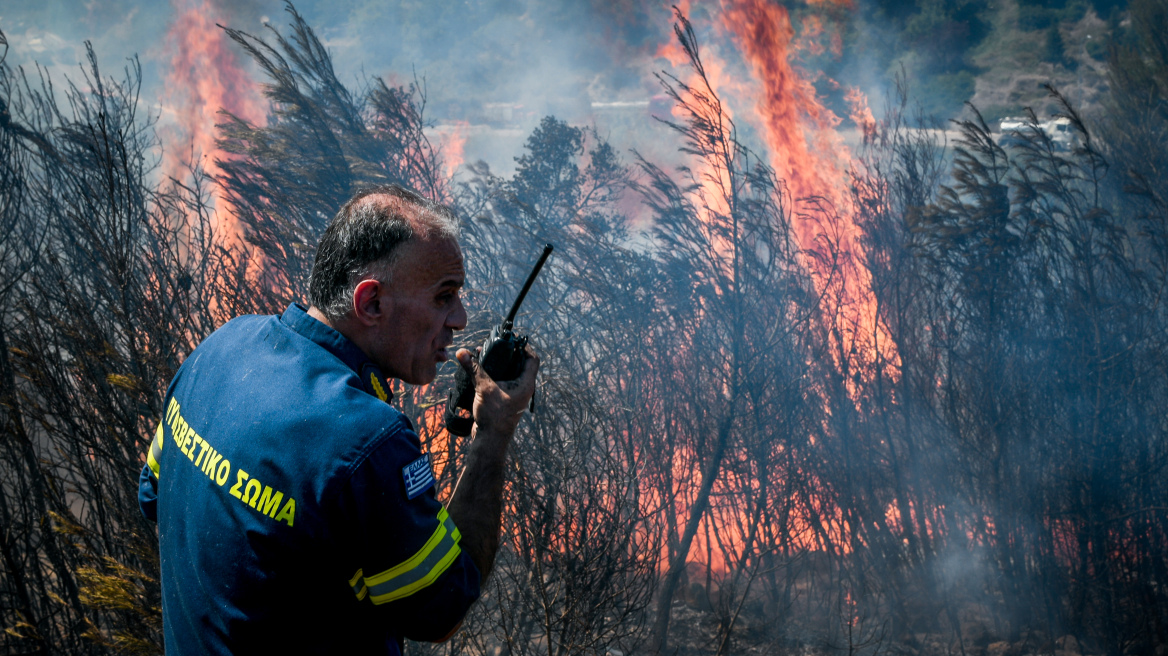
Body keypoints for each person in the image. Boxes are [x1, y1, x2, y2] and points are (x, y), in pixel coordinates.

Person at [138, 184, 538, 654]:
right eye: (442, 296)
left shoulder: (220, 346)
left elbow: (155, 496)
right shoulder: (367, 439)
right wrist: (492, 433)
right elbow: (441, 608)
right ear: (370, 303)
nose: (459, 318)